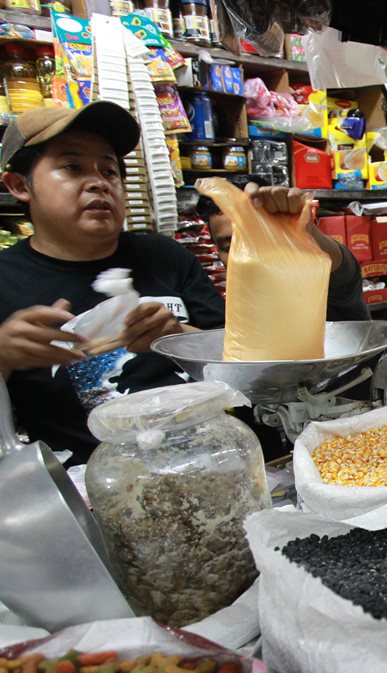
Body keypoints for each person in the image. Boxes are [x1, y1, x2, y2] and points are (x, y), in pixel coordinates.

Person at [0, 102, 368, 463]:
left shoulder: (164, 256)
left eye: (110, 170)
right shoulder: (7, 281)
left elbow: (243, 365)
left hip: (218, 459)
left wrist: (176, 337)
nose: (98, 182)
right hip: (98, 481)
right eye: (72, 167)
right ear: (19, 185)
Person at [195, 173, 368, 320]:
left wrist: (306, 232)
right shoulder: (240, 305)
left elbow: (342, 267)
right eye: (228, 247)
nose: (245, 257)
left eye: (256, 240)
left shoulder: (319, 277)